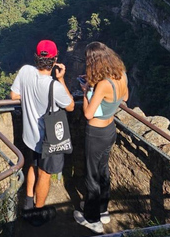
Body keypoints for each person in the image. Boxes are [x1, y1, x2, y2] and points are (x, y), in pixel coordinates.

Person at [10, 39, 75, 225]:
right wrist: (61, 79)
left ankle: (28, 204)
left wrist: (29, 96)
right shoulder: (54, 87)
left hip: (29, 135)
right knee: (45, 175)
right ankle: (37, 213)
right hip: (48, 140)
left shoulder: (25, 71)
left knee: (33, 164)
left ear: (36, 57)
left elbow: (14, 96)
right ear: (55, 60)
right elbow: (70, 106)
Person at [74, 41, 129, 233]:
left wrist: (85, 92)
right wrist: (93, 85)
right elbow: (125, 97)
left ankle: (92, 219)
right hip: (110, 130)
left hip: (96, 133)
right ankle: (103, 210)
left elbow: (89, 113)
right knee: (103, 171)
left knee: (92, 176)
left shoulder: (104, 85)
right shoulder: (121, 74)